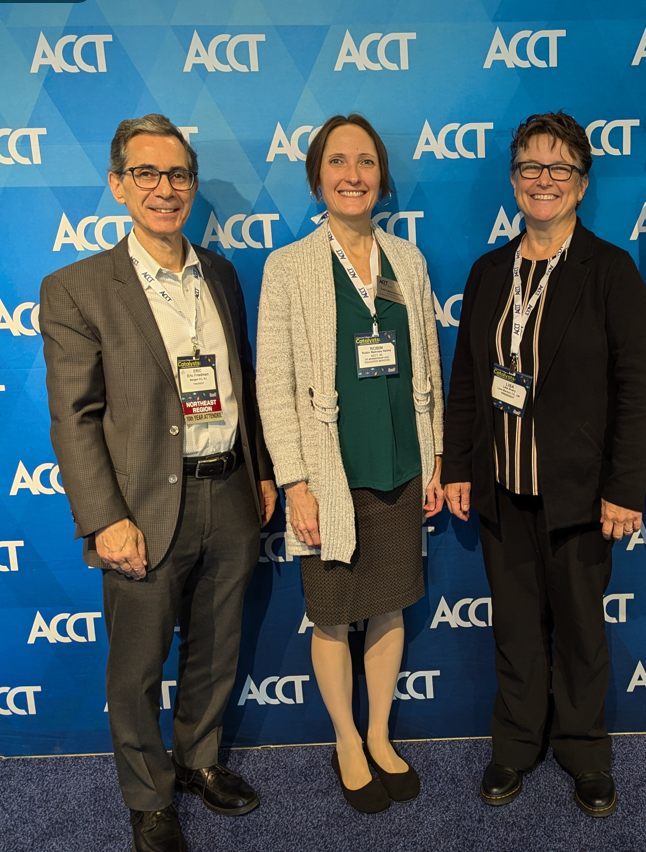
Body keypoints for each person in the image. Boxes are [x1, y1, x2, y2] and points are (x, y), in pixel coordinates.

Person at [39, 114, 277, 852]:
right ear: (117, 185)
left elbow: (242, 379)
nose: (164, 189)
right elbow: (74, 418)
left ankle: (199, 760)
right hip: (140, 509)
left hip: (231, 494)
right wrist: (104, 518)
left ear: (193, 185)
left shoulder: (223, 273)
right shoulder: (76, 288)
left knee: (216, 646)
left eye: (177, 175)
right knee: (137, 667)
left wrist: (262, 473)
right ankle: (148, 797)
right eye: (145, 174)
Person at [442, 111, 646, 818]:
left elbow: (641, 387)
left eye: (559, 168)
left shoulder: (608, 271)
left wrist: (624, 486)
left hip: (577, 496)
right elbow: (468, 382)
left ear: (581, 183)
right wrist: (456, 469)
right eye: (531, 167)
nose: (544, 180)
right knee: (514, 631)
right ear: (513, 180)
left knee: (579, 633)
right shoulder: (487, 272)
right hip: (503, 491)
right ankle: (514, 747)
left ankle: (584, 753)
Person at [256, 114, 444, 815]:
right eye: (338, 161)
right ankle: (345, 740)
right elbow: (272, 385)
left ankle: (379, 732)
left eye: (365, 162)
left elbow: (428, 365)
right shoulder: (289, 266)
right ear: (317, 176)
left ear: (381, 177)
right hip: (330, 476)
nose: (353, 174)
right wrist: (295, 480)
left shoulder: (408, 262)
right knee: (333, 616)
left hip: (399, 465)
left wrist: (434, 459)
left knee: (389, 605)